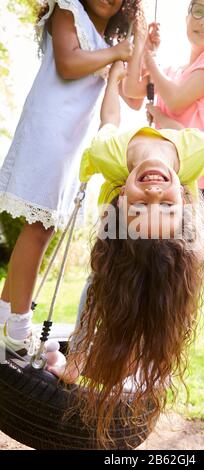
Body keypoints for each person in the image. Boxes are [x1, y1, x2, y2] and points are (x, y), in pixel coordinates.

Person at [46, 60, 204, 447]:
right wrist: (160, 120)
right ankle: (88, 358)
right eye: (166, 208)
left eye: (142, 209)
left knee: (123, 288)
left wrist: (116, 82)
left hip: (118, 233)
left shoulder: (110, 155)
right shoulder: (193, 154)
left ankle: (126, 358)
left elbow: (109, 119)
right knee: (124, 288)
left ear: (123, 200)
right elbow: (176, 126)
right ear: (183, 200)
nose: (156, 195)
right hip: (129, 236)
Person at [0, 0, 142, 353]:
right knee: (38, 230)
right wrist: (115, 54)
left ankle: (4, 319)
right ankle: (17, 329)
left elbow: (132, 96)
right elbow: (67, 64)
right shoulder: (67, 12)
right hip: (47, 134)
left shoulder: (107, 45)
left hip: (67, 148)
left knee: (41, 229)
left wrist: (138, 46)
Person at [123, 0, 204, 229]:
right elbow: (131, 89)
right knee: (154, 258)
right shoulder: (172, 74)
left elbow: (176, 100)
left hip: (199, 183)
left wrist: (150, 63)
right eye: (200, 11)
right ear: (187, 15)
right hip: (168, 177)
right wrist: (142, 44)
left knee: (182, 259)